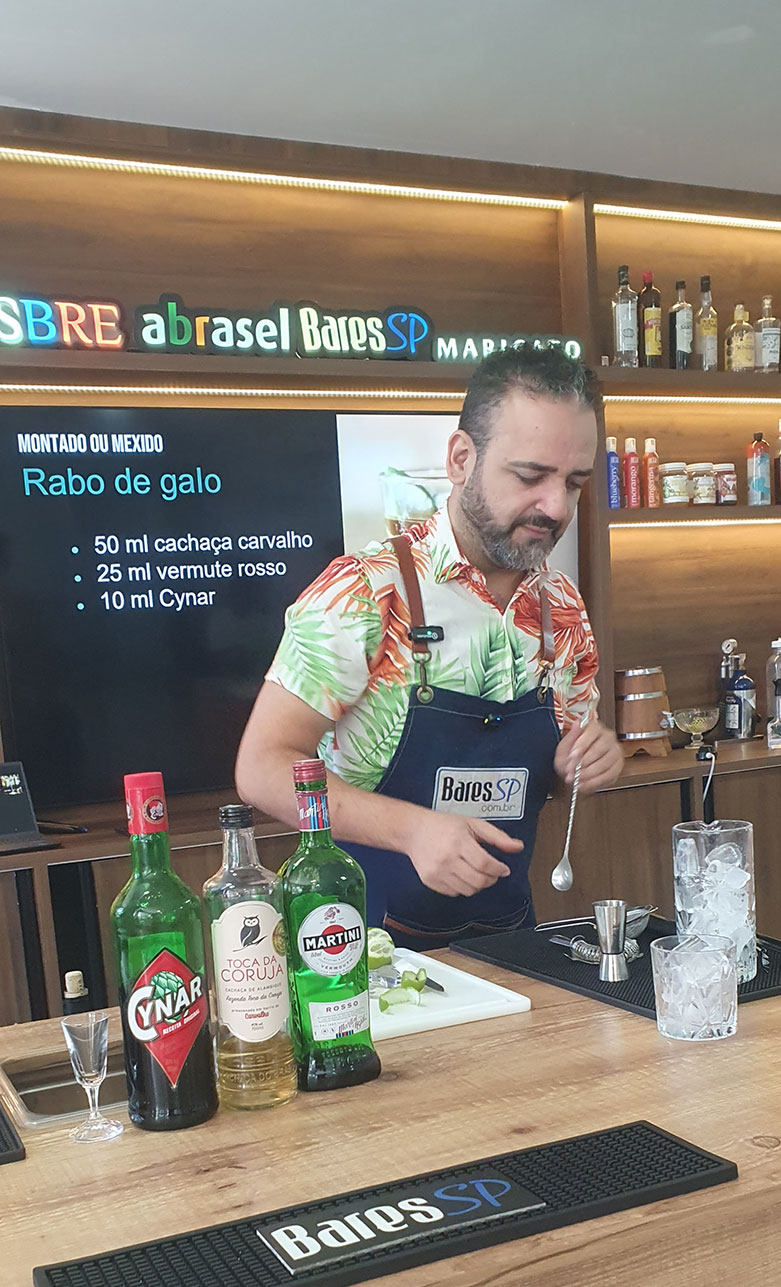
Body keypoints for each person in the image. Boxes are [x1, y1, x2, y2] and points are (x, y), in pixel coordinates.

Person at [236, 343, 623, 949]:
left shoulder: (562, 608)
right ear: (461, 458)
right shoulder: (364, 592)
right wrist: (412, 830)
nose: (554, 506)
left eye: (574, 484)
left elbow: (548, 778)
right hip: (357, 954)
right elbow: (261, 769)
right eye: (530, 477)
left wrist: (586, 763)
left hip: (506, 942)